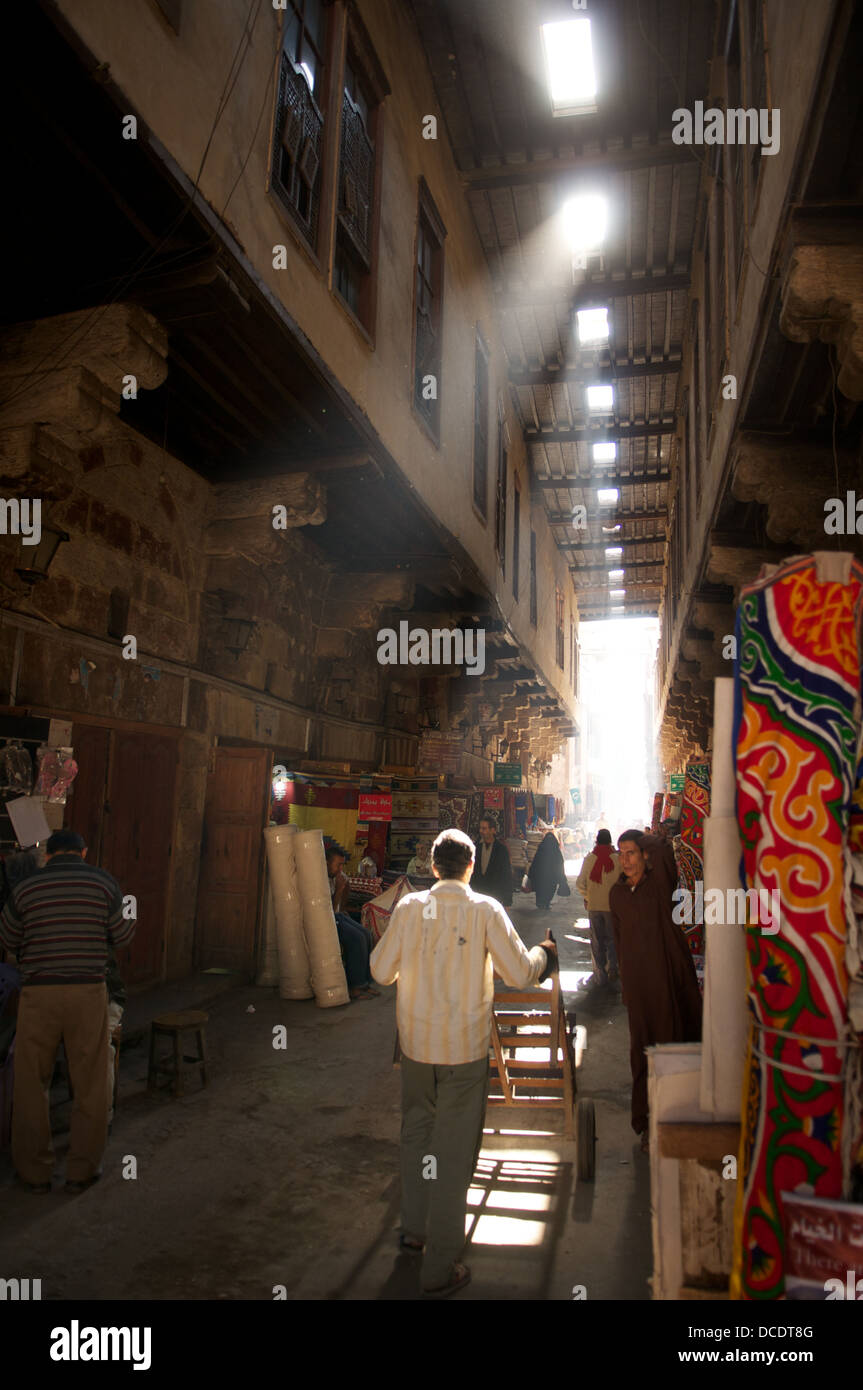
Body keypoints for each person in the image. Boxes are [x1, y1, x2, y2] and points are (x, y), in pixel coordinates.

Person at [370, 827, 557, 1298]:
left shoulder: (411, 908)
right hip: (462, 1052)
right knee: (454, 1155)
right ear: (470, 866)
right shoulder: (485, 910)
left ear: (434, 866)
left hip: (416, 1048)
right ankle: (439, 1268)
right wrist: (545, 956)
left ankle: (415, 1230)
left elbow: (379, 970)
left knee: (417, 1134)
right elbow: (519, 972)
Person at [0, 829, 133, 1193]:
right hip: (87, 991)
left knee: (32, 1082)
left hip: (39, 994)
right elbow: (121, 936)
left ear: (49, 854)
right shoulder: (104, 884)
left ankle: (34, 1172)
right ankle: (82, 1170)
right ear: (83, 852)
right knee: (90, 1082)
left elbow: (8, 937)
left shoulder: (26, 887)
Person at [609, 829, 703, 1152]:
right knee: (641, 1054)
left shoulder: (659, 887)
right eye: (621, 854)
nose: (626, 860)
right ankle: (646, 1120)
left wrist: (644, 840)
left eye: (632, 852)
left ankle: (671, 1117)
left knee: (668, 1047)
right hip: (638, 989)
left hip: (664, 982)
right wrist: (625, 985)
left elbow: (664, 852)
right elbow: (619, 943)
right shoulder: (617, 895)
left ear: (644, 858)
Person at [324, 843, 379, 1002]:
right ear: (327, 863)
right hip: (328, 919)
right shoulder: (321, 880)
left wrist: (343, 890)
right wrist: (340, 890)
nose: (340, 868)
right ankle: (355, 986)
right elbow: (329, 910)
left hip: (336, 915)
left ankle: (365, 982)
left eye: (342, 864)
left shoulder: (334, 877)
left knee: (366, 933)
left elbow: (339, 907)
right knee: (356, 938)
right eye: (338, 864)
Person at [575, 829, 620, 987]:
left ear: (596, 841)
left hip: (594, 906)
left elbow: (580, 883)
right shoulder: (617, 859)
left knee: (597, 940)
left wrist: (588, 897)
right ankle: (612, 967)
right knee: (612, 939)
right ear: (610, 842)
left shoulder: (589, 859)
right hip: (612, 906)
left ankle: (600, 973)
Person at [469, 816, 513, 907]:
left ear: (493, 830)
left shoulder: (501, 850)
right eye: (480, 828)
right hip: (477, 895)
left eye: (484, 828)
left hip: (495, 896)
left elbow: (506, 874)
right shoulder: (474, 848)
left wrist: (507, 901)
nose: (481, 831)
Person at [524, 829, 569, 911]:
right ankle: (546, 903)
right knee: (550, 890)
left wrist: (531, 874)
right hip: (552, 879)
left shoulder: (541, 850)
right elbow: (560, 866)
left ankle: (540, 903)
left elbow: (535, 863)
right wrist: (562, 878)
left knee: (540, 890)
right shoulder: (556, 852)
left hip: (540, 877)